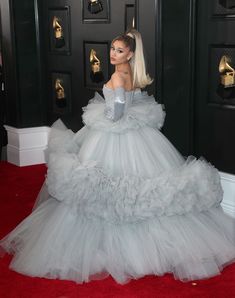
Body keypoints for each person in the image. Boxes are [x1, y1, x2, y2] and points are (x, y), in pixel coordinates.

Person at [1, 29, 235, 285]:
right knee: (140, 188)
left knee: (105, 189)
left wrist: (107, 116)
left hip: (116, 132)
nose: (113, 54)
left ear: (131, 53)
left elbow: (119, 111)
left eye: (119, 50)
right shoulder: (133, 73)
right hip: (140, 135)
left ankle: (110, 242)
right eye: (112, 49)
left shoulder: (117, 76)